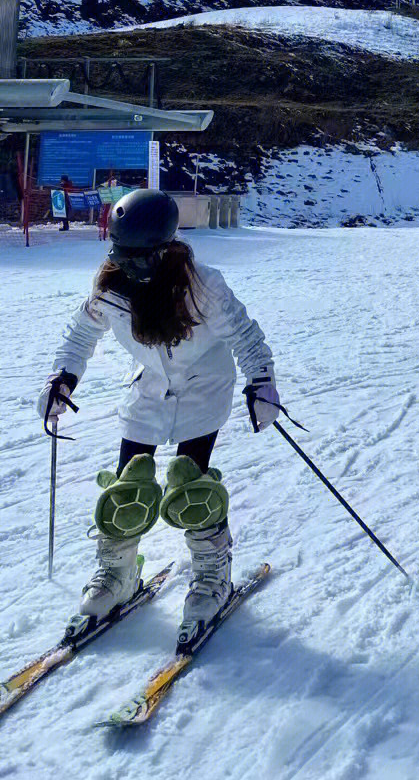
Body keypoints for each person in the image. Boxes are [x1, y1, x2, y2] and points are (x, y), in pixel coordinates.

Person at [37, 189, 281, 645]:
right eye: (121, 253)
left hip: (203, 391)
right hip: (148, 392)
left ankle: (212, 576)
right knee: (128, 485)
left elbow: (246, 335)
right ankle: (118, 575)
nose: (128, 264)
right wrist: (63, 378)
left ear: (166, 249)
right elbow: (80, 332)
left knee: (191, 485)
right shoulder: (111, 286)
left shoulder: (203, 286)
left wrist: (261, 381)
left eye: (139, 256)